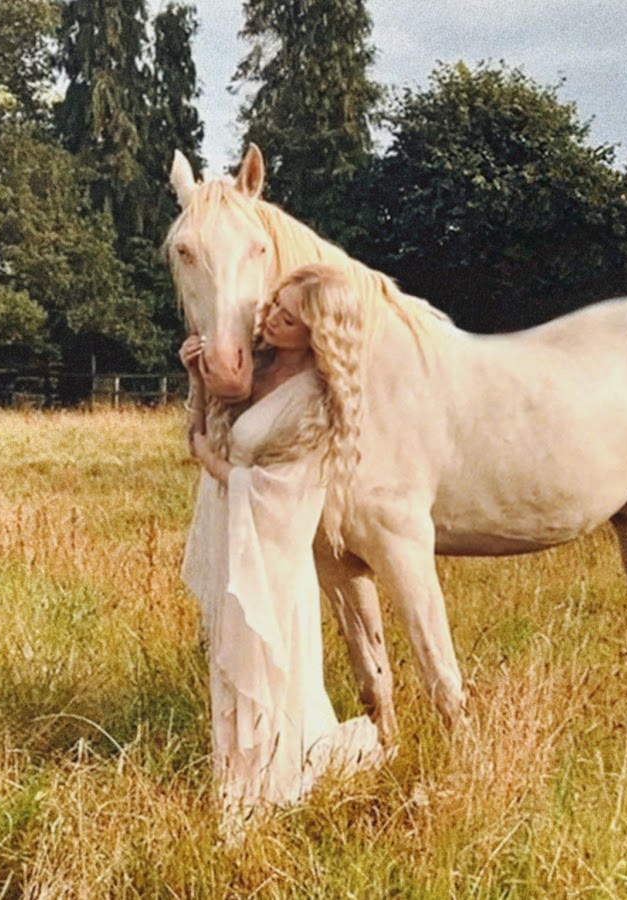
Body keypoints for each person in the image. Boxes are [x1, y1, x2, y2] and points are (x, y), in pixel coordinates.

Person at [180, 263, 386, 835]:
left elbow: (276, 490)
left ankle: (261, 786)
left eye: (287, 316)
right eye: (274, 305)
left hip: (269, 546)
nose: (268, 318)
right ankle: (236, 771)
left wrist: (209, 461)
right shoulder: (257, 366)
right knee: (227, 657)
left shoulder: (318, 400)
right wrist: (198, 378)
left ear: (316, 332)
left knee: (264, 665)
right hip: (233, 530)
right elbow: (203, 433)